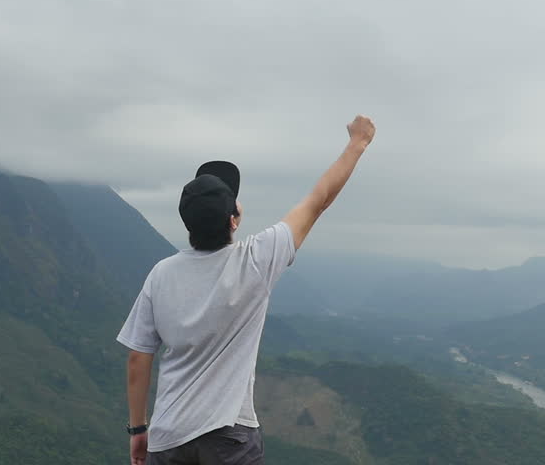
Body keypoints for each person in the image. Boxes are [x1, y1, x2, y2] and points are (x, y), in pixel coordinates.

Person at [117, 115, 376, 465]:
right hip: (229, 437)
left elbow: (138, 358)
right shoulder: (255, 259)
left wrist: (138, 431)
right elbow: (320, 199)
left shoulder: (160, 275)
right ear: (233, 219)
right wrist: (357, 143)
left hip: (168, 439)